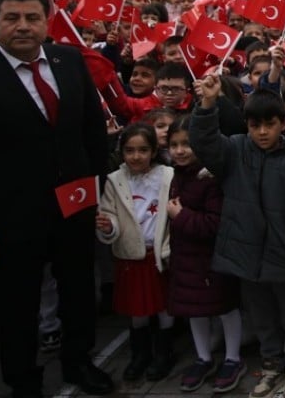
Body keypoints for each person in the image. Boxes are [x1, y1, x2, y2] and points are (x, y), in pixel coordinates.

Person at [0, 0, 115, 397]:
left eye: (32, 17)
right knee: (17, 306)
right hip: (10, 220)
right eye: (12, 18)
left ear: (46, 21)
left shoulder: (69, 61)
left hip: (74, 207)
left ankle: (79, 361)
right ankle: (22, 379)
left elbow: (93, 132)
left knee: (78, 291)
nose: (23, 26)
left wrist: (97, 191)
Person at [190, 81, 285, 398]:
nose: (262, 132)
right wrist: (207, 105)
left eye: (269, 124)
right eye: (254, 125)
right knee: (262, 318)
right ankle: (272, 364)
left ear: (283, 124)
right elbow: (204, 143)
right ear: (246, 125)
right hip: (246, 255)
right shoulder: (235, 149)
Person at [164, 116, 245, 393]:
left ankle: (233, 358)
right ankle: (203, 357)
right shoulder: (174, 176)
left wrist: (181, 216)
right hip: (185, 258)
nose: (180, 151)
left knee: (225, 307)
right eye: (174, 145)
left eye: (186, 144)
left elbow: (214, 223)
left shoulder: (210, 178)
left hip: (212, 259)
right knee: (193, 309)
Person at [96, 123, 177, 383]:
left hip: (159, 254)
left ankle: (164, 353)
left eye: (143, 150)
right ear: (121, 152)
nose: (136, 156)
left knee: (164, 307)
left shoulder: (167, 176)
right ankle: (140, 355)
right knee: (137, 309)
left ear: (153, 151)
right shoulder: (115, 180)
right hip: (131, 256)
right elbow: (109, 213)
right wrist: (108, 226)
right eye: (129, 150)